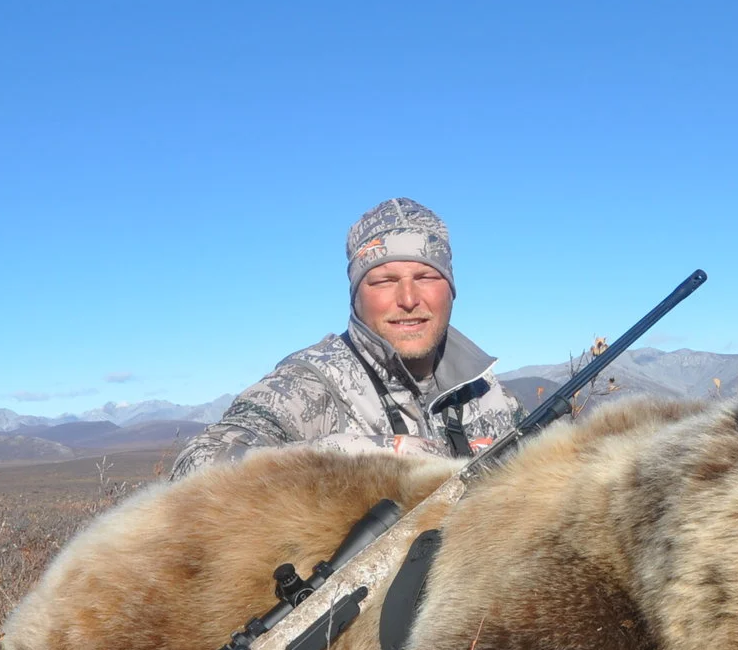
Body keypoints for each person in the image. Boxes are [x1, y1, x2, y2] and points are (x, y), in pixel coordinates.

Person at [170, 197, 524, 479]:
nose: (409, 299)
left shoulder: (486, 390)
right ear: (356, 295)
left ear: (451, 289)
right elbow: (197, 465)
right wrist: (368, 456)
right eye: (384, 281)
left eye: (426, 277)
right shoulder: (309, 383)